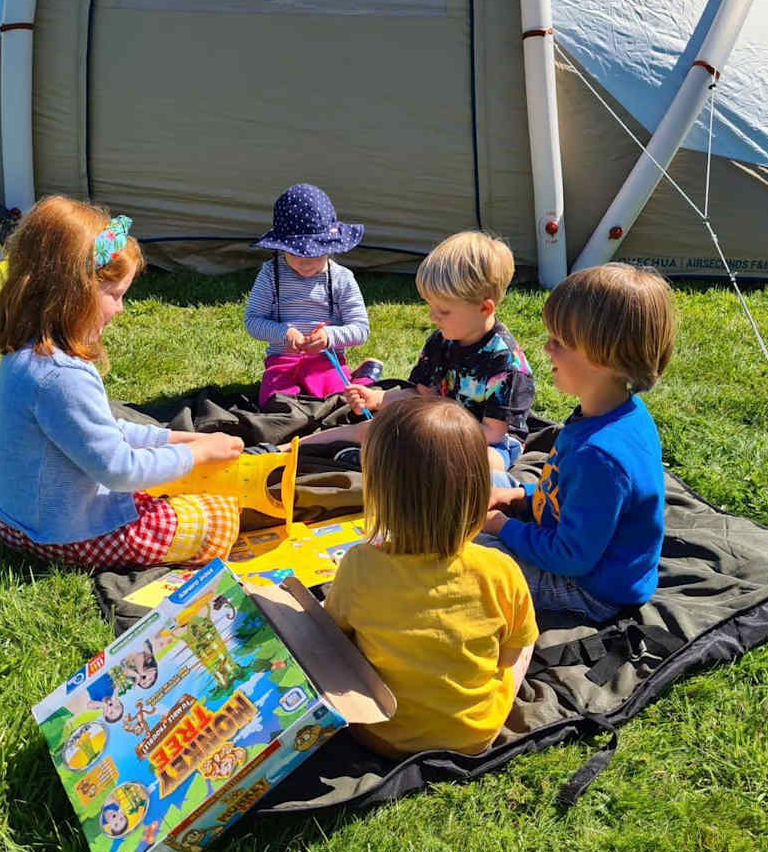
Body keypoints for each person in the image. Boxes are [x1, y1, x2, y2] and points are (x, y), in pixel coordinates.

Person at [0, 195, 245, 570]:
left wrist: (180, 439)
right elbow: (119, 470)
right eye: (115, 295)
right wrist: (198, 455)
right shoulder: (61, 376)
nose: (120, 309)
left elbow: (102, 433)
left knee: (167, 477)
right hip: (59, 535)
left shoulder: (31, 352)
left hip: (18, 520)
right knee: (221, 512)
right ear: (74, 292)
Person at [324, 396, 538, 758]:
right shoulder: (500, 570)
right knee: (528, 637)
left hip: (380, 734)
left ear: (379, 494)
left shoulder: (359, 565)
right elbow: (507, 657)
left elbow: (334, 638)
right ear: (476, 492)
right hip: (473, 735)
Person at [479, 263, 677, 621]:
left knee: (469, 552)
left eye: (561, 342)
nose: (546, 348)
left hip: (590, 587)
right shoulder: (612, 411)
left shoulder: (600, 455)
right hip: (567, 545)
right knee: (483, 483)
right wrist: (519, 497)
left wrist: (501, 526)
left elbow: (570, 556)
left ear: (605, 358)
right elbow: (563, 494)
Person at [303, 230, 535, 481]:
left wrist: (432, 429)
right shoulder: (441, 341)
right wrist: (378, 398)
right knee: (370, 428)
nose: (432, 317)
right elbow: (420, 395)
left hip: (487, 443)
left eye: (443, 310)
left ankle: (374, 462)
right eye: (430, 306)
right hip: (435, 424)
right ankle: (286, 450)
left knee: (475, 466)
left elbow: (492, 433)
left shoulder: (507, 365)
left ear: (484, 307)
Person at [244, 183, 382, 406]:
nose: (305, 262)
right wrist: (283, 332)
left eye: (316, 254)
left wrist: (329, 337)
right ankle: (360, 377)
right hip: (282, 361)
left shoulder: (342, 278)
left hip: (326, 361)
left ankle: (362, 379)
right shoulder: (271, 274)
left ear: (331, 246)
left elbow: (361, 330)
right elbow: (252, 321)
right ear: (281, 246)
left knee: (339, 403)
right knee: (274, 404)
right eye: (297, 253)